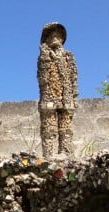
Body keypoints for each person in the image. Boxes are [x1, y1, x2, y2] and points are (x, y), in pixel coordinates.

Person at [37, 22, 78, 158]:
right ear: (46, 39)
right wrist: (45, 57)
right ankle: (48, 153)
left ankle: (65, 151)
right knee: (49, 126)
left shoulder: (68, 56)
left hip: (66, 94)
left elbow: (73, 76)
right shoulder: (44, 57)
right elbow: (42, 78)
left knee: (66, 126)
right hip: (49, 95)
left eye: (58, 35)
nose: (55, 38)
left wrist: (74, 96)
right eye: (51, 35)